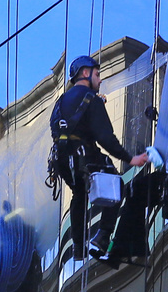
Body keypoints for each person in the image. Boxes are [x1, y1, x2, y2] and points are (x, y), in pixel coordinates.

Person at [49, 55, 150, 261]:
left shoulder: (61, 102)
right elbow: (105, 138)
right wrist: (130, 159)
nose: (100, 79)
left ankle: (78, 246)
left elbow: (58, 127)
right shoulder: (90, 99)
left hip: (62, 159)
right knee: (116, 184)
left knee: (79, 194)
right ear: (85, 73)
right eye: (97, 74)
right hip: (84, 155)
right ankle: (103, 237)